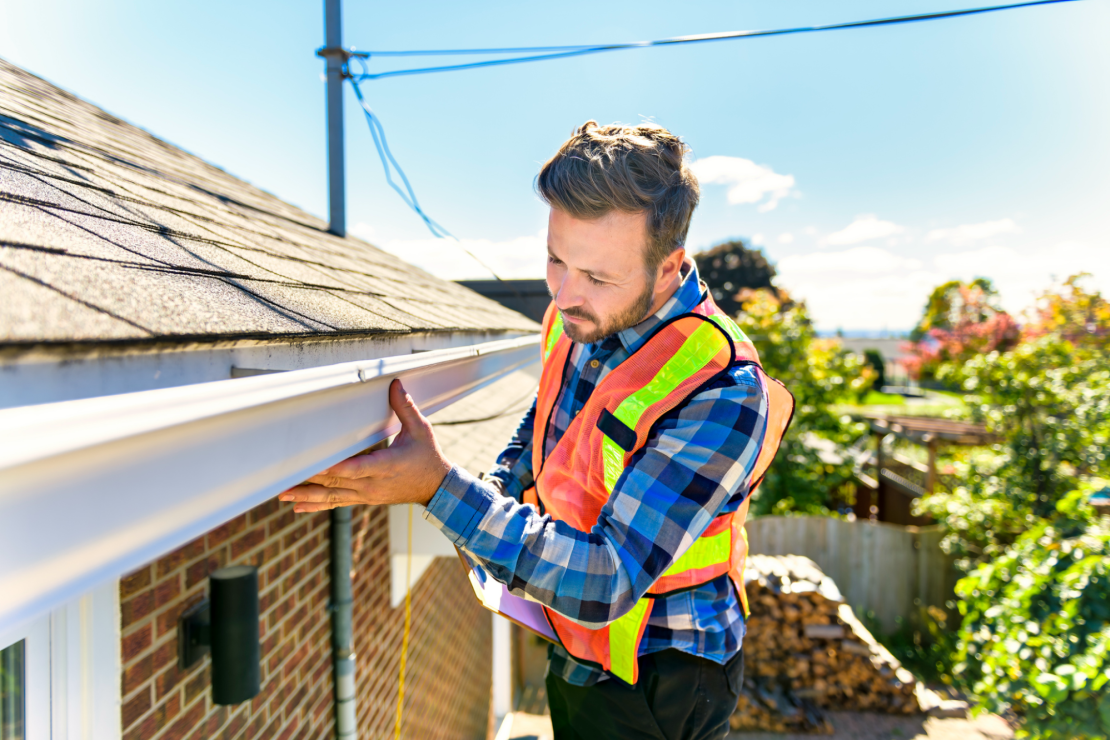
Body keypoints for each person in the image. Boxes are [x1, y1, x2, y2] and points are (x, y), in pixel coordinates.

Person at [280, 120, 792, 740]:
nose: (566, 293)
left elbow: (605, 581)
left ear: (669, 269)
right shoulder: (578, 314)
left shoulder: (723, 391)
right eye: (555, 259)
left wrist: (438, 488)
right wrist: (498, 482)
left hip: (662, 671)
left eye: (598, 277)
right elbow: (548, 418)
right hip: (575, 640)